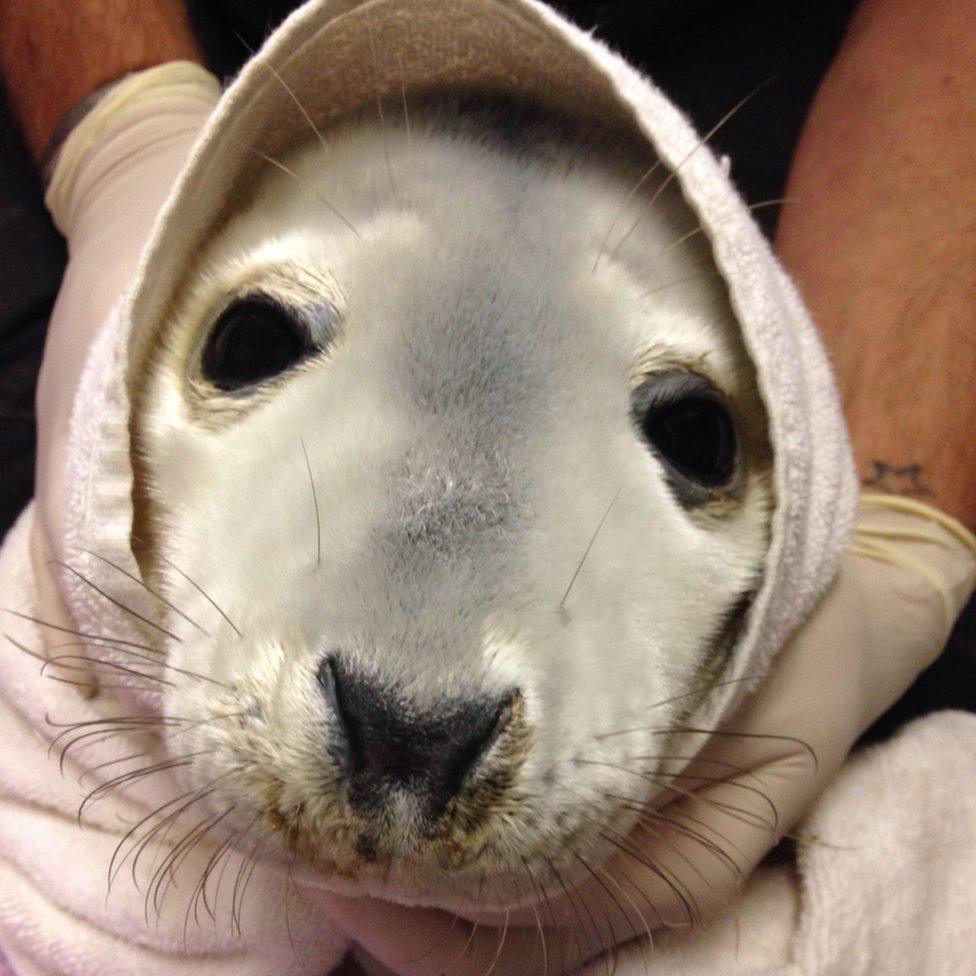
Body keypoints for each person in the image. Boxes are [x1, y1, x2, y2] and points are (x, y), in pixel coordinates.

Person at [0, 0, 974, 973]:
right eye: (257, 344)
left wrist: (897, 542)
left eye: (689, 437)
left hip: (782, 140)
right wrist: (124, 137)